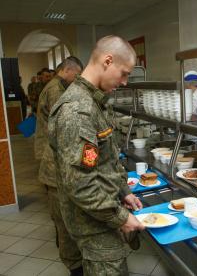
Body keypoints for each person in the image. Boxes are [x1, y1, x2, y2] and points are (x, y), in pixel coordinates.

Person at [48, 35, 144, 275]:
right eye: (124, 73)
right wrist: (121, 217)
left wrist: (124, 191)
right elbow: (81, 185)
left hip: (102, 213)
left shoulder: (97, 102)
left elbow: (104, 160)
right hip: (93, 223)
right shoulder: (77, 111)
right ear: (107, 61)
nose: (124, 82)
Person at [36, 57, 84, 275]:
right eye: (77, 75)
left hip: (53, 160)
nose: (78, 80)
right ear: (67, 70)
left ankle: (70, 256)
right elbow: (65, 127)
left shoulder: (55, 87)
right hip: (54, 166)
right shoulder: (56, 90)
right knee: (64, 221)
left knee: (61, 219)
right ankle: (74, 266)